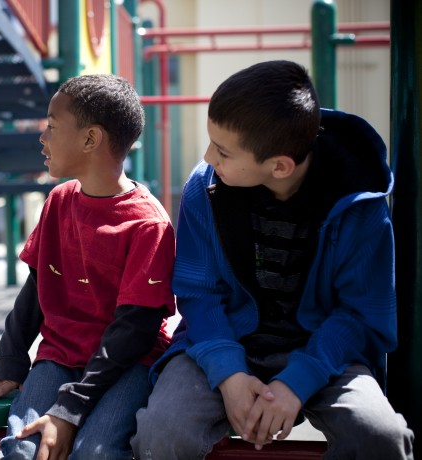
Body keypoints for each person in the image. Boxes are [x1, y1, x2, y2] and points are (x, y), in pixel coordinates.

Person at [131, 60, 414, 459]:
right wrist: (228, 373)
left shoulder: (360, 207)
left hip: (324, 349)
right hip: (221, 339)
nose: (209, 157)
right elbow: (200, 294)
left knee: (380, 437)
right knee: (162, 433)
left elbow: (359, 314)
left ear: (279, 166)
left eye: (224, 151)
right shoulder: (205, 188)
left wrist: (297, 381)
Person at [0, 73, 177, 460]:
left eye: (51, 125)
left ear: (90, 139)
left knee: (93, 454)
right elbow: (33, 293)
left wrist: (70, 408)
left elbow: (135, 331)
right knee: (22, 450)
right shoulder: (59, 200)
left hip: (127, 364)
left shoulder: (148, 223)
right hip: (59, 357)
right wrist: (10, 363)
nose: (41, 137)